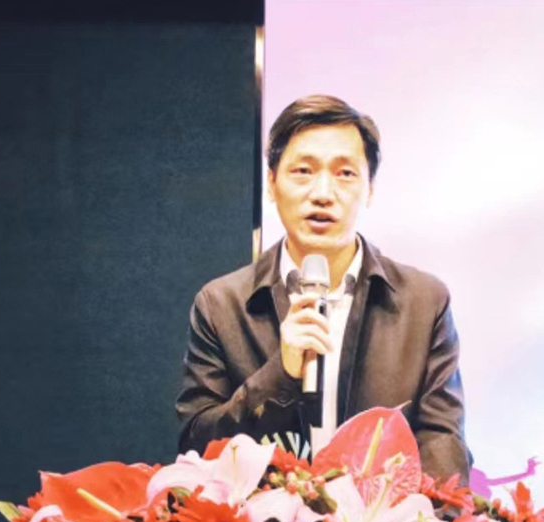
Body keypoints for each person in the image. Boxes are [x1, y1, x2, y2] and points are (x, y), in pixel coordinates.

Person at [176, 95, 471, 484]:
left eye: (345, 174)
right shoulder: (221, 305)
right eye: (303, 171)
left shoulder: (424, 302)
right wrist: (280, 375)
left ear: (370, 189)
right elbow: (197, 447)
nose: (323, 193)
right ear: (271, 183)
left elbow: (442, 446)